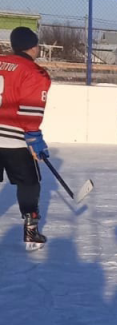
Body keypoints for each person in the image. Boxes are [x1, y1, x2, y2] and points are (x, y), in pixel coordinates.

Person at [0, 26, 52, 249]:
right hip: (14, 139)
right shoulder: (34, 71)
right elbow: (31, 111)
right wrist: (34, 136)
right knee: (29, 183)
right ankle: (31, 232)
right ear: (33, 46)